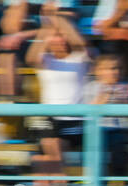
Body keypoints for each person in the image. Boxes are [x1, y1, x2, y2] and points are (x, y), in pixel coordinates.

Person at [26, 12, 89, 173]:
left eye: (62, 35)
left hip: (74, 121)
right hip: (49, 120)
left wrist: (56, 18)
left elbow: (80, 44)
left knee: (50, 148)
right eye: (55, 36)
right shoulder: (45, 60)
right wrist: (47, 29)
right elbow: (31, 58)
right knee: (49, 144)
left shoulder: (79, 58)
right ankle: (55, 185)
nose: (59, 40)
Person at [83, 53, 128, 176]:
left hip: (118, 128)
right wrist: (101, 99)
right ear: (98, 71)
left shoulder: (126, 87)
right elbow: (88, 110)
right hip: (98, 127)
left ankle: (118, 177)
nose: (113, 72)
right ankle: (94, 176)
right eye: (107, 69)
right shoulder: (91, 87)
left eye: (116, 68)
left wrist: (124, 100)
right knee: (96, 146)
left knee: (119, 146)